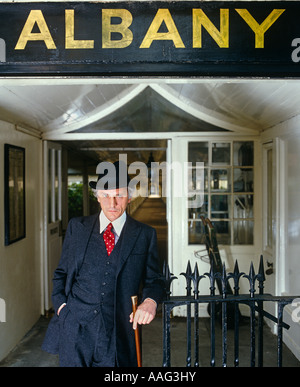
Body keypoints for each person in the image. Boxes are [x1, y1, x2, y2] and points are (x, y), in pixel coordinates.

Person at [42, 160, 164, 367]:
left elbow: (156, 279)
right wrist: (62, 307)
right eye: (106, 196)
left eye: (119, 195)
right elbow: (61, 272)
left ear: (130, 196)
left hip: (117, 332)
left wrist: (150, 301)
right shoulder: (77, 227)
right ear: (97, 196)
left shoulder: (145, 234)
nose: (112, 203)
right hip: (75, 329)